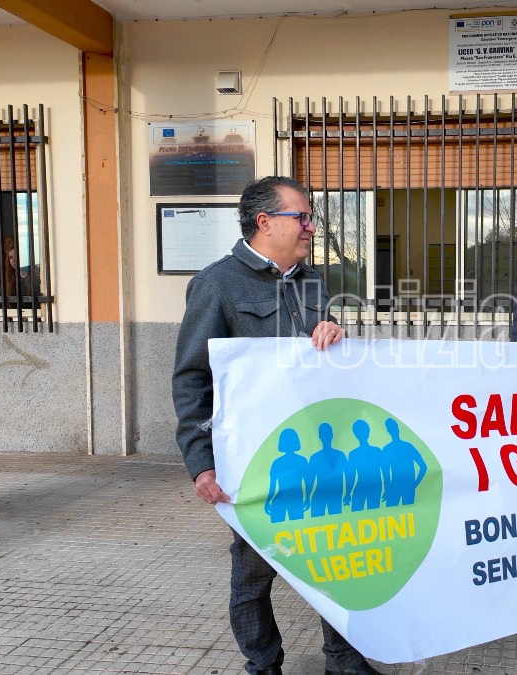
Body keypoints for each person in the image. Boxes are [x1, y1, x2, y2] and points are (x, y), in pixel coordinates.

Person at [172, 176, 383, 675]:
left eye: (310, 218)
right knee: (253, 576)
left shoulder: (314, 282)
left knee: (336, 561)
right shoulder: (217, 284)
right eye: (302, 217)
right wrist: (201, 463)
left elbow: (323, 365)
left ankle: (345, 662)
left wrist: (334, 335)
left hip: (322, 453)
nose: (312, 226)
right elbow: (191, 379)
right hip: (255, 461)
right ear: (264, 222)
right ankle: (262, 665)